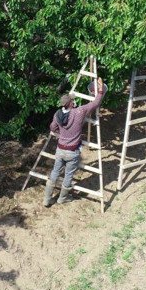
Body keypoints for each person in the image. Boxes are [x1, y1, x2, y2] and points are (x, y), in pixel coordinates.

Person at [44, 78, 106, 207]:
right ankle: (62, 198)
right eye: (72, 100)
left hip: (60, 149)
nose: (74, 101)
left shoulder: (57, 114)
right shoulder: (79, 112)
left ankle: (47, 200)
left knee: (55, 172)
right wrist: (100, 89)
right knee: (68, 175)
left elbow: (52, 127)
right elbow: (96, 102)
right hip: (72, 151)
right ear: (71, 103)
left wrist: (61, 132)